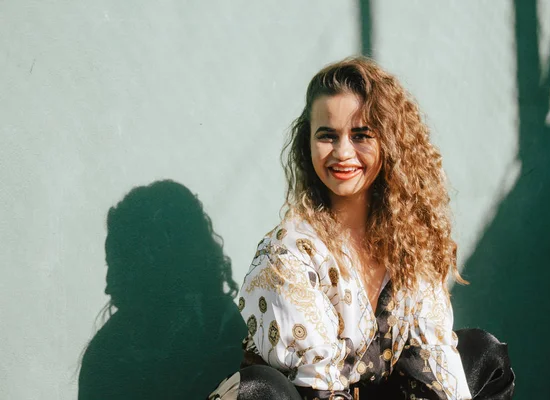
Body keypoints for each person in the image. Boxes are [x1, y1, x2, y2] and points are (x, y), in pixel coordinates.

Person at [233, 58, 514, 400]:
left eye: (360, 134)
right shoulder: (288, 252)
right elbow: (318, 389)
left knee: (482, 353)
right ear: (307, 144)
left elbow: (433, 362)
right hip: (310, 396)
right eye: (327, 136)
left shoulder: (409, 241)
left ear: (389, 144)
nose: (342, 152)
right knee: (262, 390)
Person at [78, 180, 246, 400]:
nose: (109, 286)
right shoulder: (106, 360)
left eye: (121, 266)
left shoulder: (234, 338)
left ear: (157, 264)